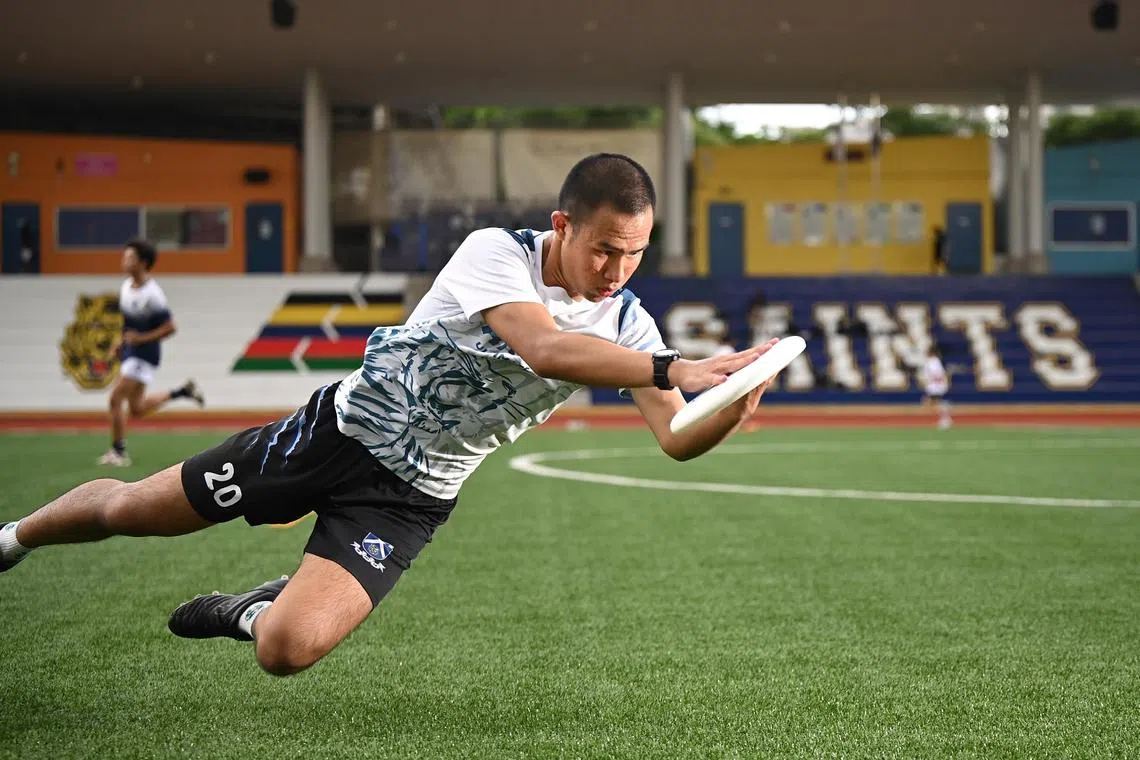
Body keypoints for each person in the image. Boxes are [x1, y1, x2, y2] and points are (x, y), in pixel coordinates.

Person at [1, 154, 781, 677]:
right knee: (131, 510)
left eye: (636, 253)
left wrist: (731, 404)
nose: (617, 270)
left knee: (286, 650)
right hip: (332, 438)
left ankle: (251, 610)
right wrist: (676, 367)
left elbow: (675, 437)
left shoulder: (630, 323)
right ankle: (12, 537)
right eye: (605, 248)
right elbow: (544, 349)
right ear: (563, 225)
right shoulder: (495, 253)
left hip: (409, 500)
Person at [98, 239, 205, 466]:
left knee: (115, 398)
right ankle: (181, 391)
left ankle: (118, 451)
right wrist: (121, 342)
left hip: (145, 354)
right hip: (131, 352)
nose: (124, 260)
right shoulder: (126, 287)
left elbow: (170, 327)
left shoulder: (153, 294)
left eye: (130, 257)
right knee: (136, 409)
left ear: (143, 263)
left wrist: (140, 339)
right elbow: (129, 324)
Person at [919, 346, 953, 429]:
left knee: (929, 402)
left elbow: (934, 374)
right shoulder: (936, 361)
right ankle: (944, 418)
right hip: (937, 385)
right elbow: (942, 374)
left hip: (934, 386)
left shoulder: (931, 361)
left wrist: (925, 382)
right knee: (932, 402)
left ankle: (945, 419)